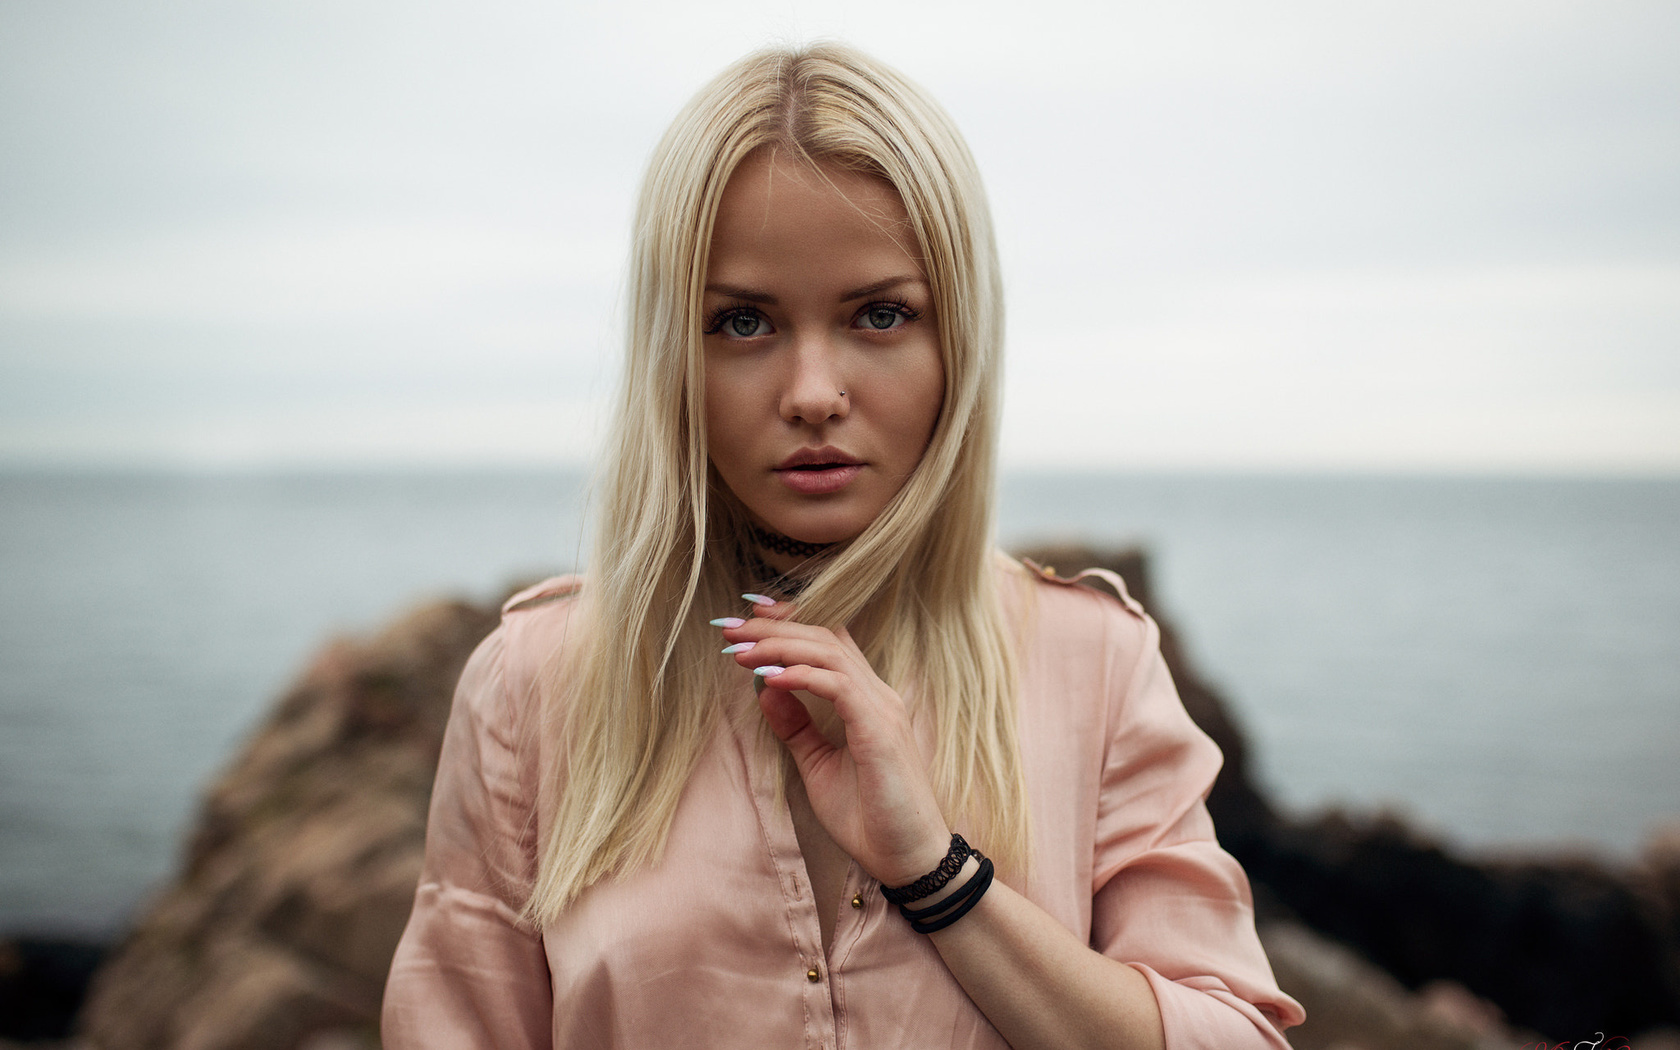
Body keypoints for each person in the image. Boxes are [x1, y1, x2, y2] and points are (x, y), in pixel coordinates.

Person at [382, 42, 1304, 1049]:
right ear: (669, 355)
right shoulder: (535, 682)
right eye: (742, 322)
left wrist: (937, 873)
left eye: (879, 314)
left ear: (958, 339)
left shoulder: (1093, 660)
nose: (814, 391)